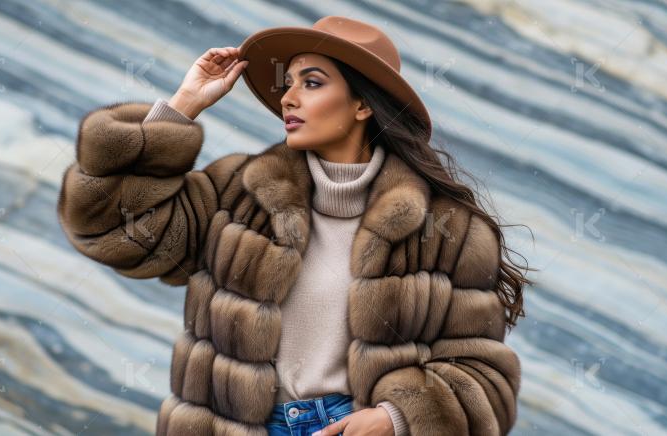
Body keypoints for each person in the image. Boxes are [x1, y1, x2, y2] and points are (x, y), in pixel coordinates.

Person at [57, 15, 530, 436]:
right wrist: (182, 107)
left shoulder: (446, 230)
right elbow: (109, 228)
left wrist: (396, 418)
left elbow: (482, 375)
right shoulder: (237, 194)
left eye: (312, 82)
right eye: (288, 83)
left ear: (362, 105)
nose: (288, 97)